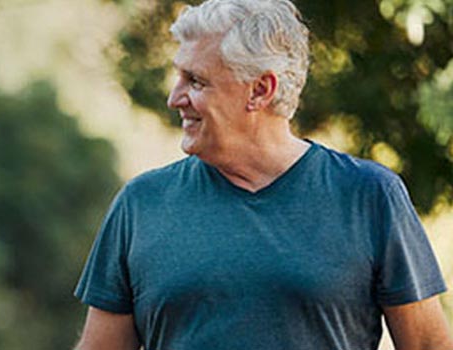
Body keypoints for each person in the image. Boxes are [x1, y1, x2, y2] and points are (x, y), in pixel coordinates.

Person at [72, 0, 452, 348]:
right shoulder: (141, 205)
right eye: (179, 77)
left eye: (196, 81)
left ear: (260, 89)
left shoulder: (369, 196)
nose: (174, 98)